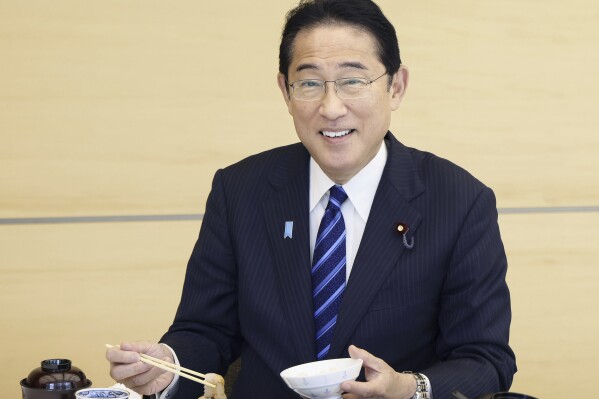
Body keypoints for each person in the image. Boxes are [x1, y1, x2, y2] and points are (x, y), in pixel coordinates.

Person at [106, 0, 516, 398]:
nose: (331, 107)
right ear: (286, 91)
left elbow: (485, 359)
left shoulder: (459, 201)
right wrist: (167, 365)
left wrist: (410, 389)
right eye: (309, 83)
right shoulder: (240, 191)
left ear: (396, 86)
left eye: (353, 80)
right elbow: (206, 330)